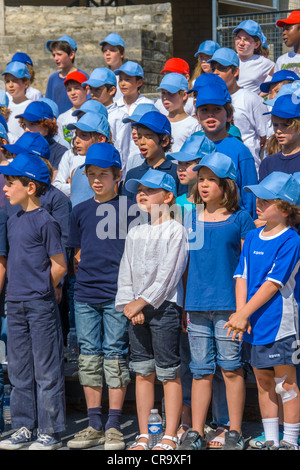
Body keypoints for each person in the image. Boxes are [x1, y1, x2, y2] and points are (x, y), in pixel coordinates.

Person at [178, 152, 255, 451]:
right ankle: (196, 431)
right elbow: (183, 267)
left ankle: (234, 430)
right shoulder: (188, 217)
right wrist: (185, 306)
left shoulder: (241, 218)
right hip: (196, 308)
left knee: (232, 368)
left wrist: (243, 310)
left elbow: (248, 268)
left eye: (212, 179)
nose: (205, 184)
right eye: (202, 179)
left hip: (229, 309)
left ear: (227, 185)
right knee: (200, 371)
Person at [224, 172, 300, 450]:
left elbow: (272, 284)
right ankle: (271, 439)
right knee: (263, 380)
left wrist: (244, 314)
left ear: (285, 208)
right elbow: (241, 276)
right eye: (259, 197)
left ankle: (291, 441)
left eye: (267, 200)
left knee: (285, 383)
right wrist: (241, 314)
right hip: (252, 323)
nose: (259, 202)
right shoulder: (253, 236)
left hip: (281, 323)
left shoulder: (291, 240)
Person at [66, 143, 134, 450]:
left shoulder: (133, 209)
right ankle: (94, 423)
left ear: (118, 175)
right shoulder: (79, 211)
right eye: (91, 174)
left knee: (115, 356)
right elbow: (78, 254)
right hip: (85, 295)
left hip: (118, 296)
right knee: (89, 357)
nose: (96, 180)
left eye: (103, 174)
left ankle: (114, 425)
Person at [116, 168, 189, 450]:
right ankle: (145, 433)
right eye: (139, 189)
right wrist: (127, 305)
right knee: (143, 371)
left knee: (169, 372)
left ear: (168, 196)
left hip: (164, 309)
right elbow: (126, 272)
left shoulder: (176, 230)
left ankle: (170, 434)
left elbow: (169, 276)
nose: (142, 193)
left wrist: (141, 302)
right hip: (135, 311)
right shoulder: (135, 232)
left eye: (150, 189)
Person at [0, 153, 67, 450]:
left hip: (39, 306)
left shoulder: (46, 221)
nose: (4, 188)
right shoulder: (12, 221)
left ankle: (49, 431)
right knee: (18, 370)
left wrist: (40, 290)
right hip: (13, 305)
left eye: (10, 183)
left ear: (29, 187)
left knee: (46, 370)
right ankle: (24, 426)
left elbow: (60, 265)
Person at [194, 76, 258, 218]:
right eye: (204, 110)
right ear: (197, 116)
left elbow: (249, 195)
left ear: (229, 115)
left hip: (232, 223)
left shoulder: (240, 150)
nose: (210, 114)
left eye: (217, 109)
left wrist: (246, 226)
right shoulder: (191, 145)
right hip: (198, 221)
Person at [208, 47, 270, 171]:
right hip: (216, 170)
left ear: (235, 71)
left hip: (246, 169)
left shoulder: (252, 99)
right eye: (214, 68)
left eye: (222, 68)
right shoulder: (208, 100)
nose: (216, 73)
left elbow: (265, 137)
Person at [121, 110, 182, 199]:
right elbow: (124, 209)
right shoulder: (132, 174)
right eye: (139, 136)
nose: (141, 142)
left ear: (165, 141)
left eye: (149, 136)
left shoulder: (177, 172)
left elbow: (185, 207)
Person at [15, 100, 67, 178]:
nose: (26, 129)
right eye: (25, 124)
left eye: (32, 124)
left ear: (47, 125)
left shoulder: (60, 151)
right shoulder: (22, 147)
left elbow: (55, 182)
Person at [167, 134, 216, 216]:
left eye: (187, 163)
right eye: (179, 163)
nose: (180, 168)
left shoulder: (215, 204)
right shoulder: (176, 203)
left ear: (204, 166)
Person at [259, 93, 300, 182]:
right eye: (275, 125)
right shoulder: (268, 163)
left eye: (286, 125)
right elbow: (262, 195)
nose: (278, 131)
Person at [156, 73, 201, 152]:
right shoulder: (159, 123)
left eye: (170, 93)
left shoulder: (193, 125)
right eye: (163, 93)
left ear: (184, 95)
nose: (165, 97)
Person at [45, 35, 88, 115]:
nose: (55, 58)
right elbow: (48, 103)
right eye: (54, 55)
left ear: (71, 54)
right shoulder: (53, 78)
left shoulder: (82, 76)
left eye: (59, 54)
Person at [233, 19, 274, 94]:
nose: (241, 43)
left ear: (256, 44)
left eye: (246, 39)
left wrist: (259, 97)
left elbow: (279, 82)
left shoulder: (264, 63)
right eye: (238, 38)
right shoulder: (229, 59)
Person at [2, 61, 32, 143]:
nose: (10, 85)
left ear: (26, 84)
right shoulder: (4, 106)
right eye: (7, 81)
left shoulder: (31, 106)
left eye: (15, 81)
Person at [57, 71, 88, 144]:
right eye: (69, 90)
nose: (73, 93)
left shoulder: (94, 114)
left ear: (86, 90)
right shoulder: (62, 118)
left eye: (77, 88)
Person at [99, 33, 125, 100]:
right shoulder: (101, 77)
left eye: (112, 50)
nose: (107, 53)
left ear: (122, 53)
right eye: (105, 51)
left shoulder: (129, 76)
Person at [274, 11, 300, 76]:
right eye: (283, 29)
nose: (284, 32)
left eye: (288, 28)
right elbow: (276, 85)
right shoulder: (281, 60)